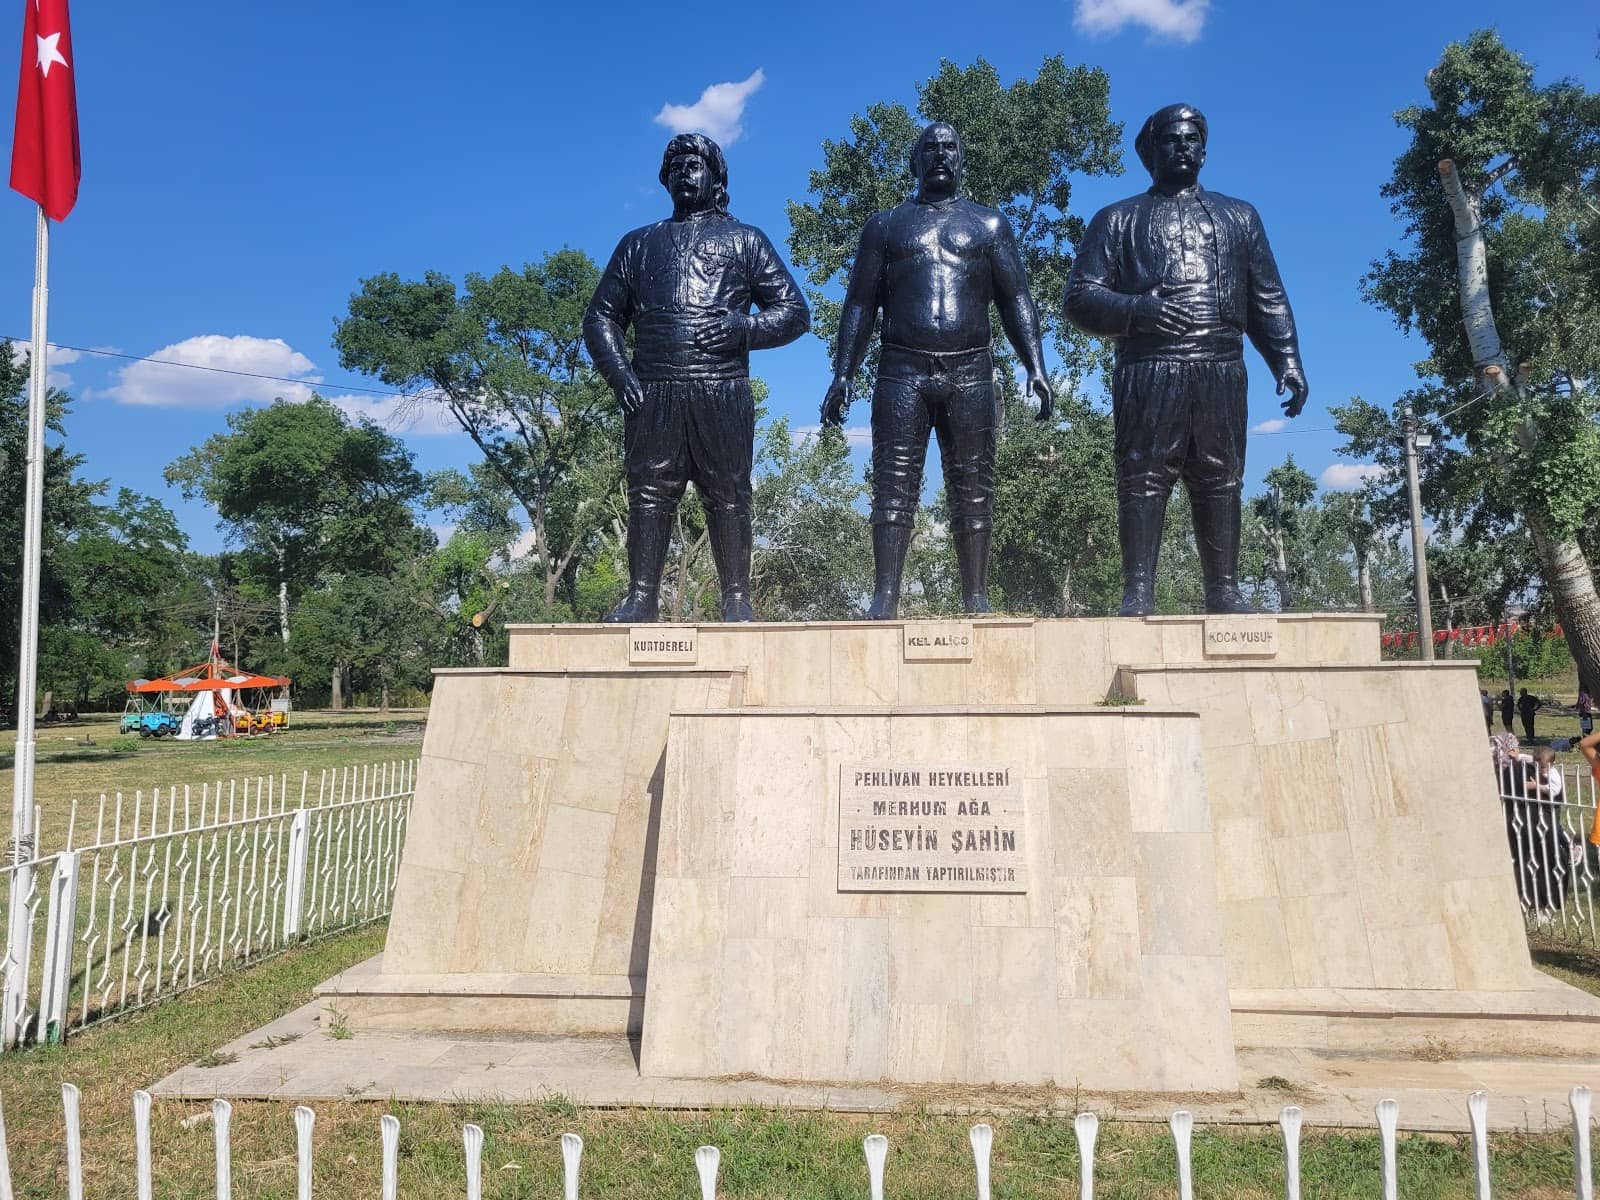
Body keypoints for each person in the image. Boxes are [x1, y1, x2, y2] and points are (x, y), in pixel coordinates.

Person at [1063, 104, 1307, 616]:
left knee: (1221, 477)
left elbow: (1267, 297)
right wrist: (1138, 310)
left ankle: (1224, 590)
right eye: (1171, 140)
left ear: (1205, 148)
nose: (1182, 146)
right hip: (1150, 367)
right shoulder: (1117, 219)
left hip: (1220, 366)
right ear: (1150, 152)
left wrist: (1286, 359)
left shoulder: (1240, 216)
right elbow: (1080, 299)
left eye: (1192, 138)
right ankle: (1139, 591)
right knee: (1142, 476)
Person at [821, 122, 1052, 618]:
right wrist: (843, 373)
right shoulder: (885, 227)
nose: (941, 155)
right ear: (915, 161)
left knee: (973, 485)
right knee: (893, 483)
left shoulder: (990, 226)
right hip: (901, 367)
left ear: (962, 159)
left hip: (971, 368)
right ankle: (885, 596)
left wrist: (1035, 365)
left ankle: (976, 595)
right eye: (931, 148)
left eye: (950, 146)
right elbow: (860, 305)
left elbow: (1016, 300)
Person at [584, 133, 810, 623]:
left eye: (696, 164)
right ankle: (642, 597)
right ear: (666, 179)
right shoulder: (637, 244)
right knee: (648, 492)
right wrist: (619, 374)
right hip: (653, 390)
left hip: (720, 387)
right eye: (677, 165)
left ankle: (736, 599)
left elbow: (794, 312)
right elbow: (600, 317)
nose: (686, 172)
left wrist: (742, 328)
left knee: (728, 491)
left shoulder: (745, 239)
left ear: (716, 178)